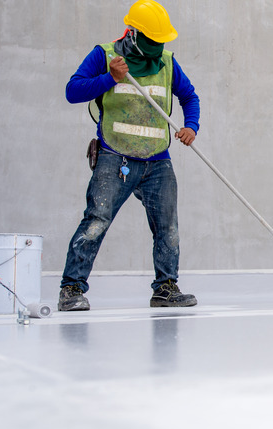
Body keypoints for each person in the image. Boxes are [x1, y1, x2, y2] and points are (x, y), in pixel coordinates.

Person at [59, 0, 199, 311]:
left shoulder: (166, 62)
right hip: (115, 157)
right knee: (96, 221)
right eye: (150, 40)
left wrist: (191, 126)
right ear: (132, 34)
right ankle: (71, 289)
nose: (155, 46)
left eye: (159, 40)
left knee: (168, 227)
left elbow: (189, 96)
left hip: (157, 160)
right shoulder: (105, 55)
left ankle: (165, 288)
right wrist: (110, 78)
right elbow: (73, 91)